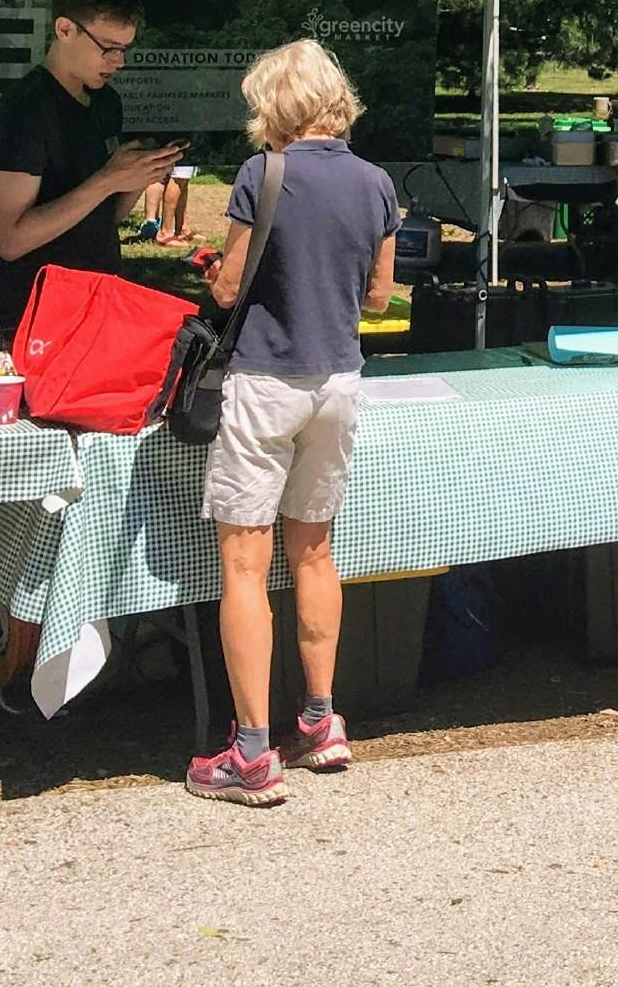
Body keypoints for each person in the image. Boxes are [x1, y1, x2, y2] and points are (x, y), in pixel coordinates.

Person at [188, 39, 399, 807]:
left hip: (266, 380)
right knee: (314, 552)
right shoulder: (377, 182)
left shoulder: (263, 174)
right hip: (337, 381)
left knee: (245, 566)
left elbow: (228, 289)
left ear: (275, 105)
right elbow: (378, 298)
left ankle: (250, 751)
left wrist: (215, 272)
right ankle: (320, 719)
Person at [0, 0, 184, 337]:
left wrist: (140, 175)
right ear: (64, 30)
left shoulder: (106, 103)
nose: (118, 61)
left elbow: (103, 218)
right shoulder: (24, 111)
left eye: (124, 49)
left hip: (98, 300)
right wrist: (106, 180)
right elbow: (9, 241)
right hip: (38, 316)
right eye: (108, 48)